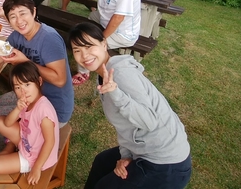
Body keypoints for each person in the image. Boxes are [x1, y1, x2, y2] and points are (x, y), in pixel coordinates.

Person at [68, 22, 192, 189]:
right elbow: (124, 126)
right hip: (144, 149)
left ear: (104, 44)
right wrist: (126, 156)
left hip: (166, 162)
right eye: (77, 50)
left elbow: (149, 121)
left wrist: (116, 94)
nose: (84, 55)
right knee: (102, 162)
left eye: (89, 46)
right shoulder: (104, 75)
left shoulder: (121, 74)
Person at [0, 0, 73, 154]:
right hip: (31, 95)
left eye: (22, 13)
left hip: (53, 106)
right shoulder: (17, 36)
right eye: (13, 16)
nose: (19, 21)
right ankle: (6, 144)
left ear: (34, 12)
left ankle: (7, 152)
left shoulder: (49, 38)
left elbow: (60, 80)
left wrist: (25, 61)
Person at [0, 61, 59, 186]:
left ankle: (10, 147)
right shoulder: (27, 101)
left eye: (27, 84)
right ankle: (11, 145)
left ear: (39, 81)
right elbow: (7, 123)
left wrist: (36, 168)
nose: (23, 91)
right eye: (18, 87)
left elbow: (50, 141)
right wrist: (17, 109)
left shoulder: (44, 110)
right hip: (26, 139)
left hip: (35, 157)